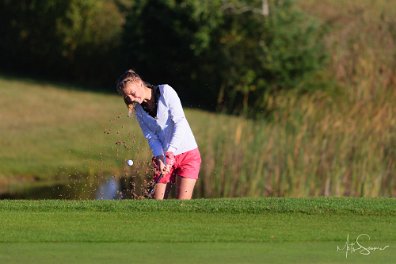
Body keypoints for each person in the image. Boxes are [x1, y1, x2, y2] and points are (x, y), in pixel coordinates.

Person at [116, 69, 201, 200]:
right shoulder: (139, 110)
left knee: (182, 204)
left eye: (132, 93)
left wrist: (171, 151)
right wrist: (160, 157)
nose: (132, 99)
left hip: (187, 154)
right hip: (164, 158)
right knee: (157, 203)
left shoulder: (165, 92)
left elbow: (180, 122)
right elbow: (151, 137)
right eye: (128, 97)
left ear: (139, 82)